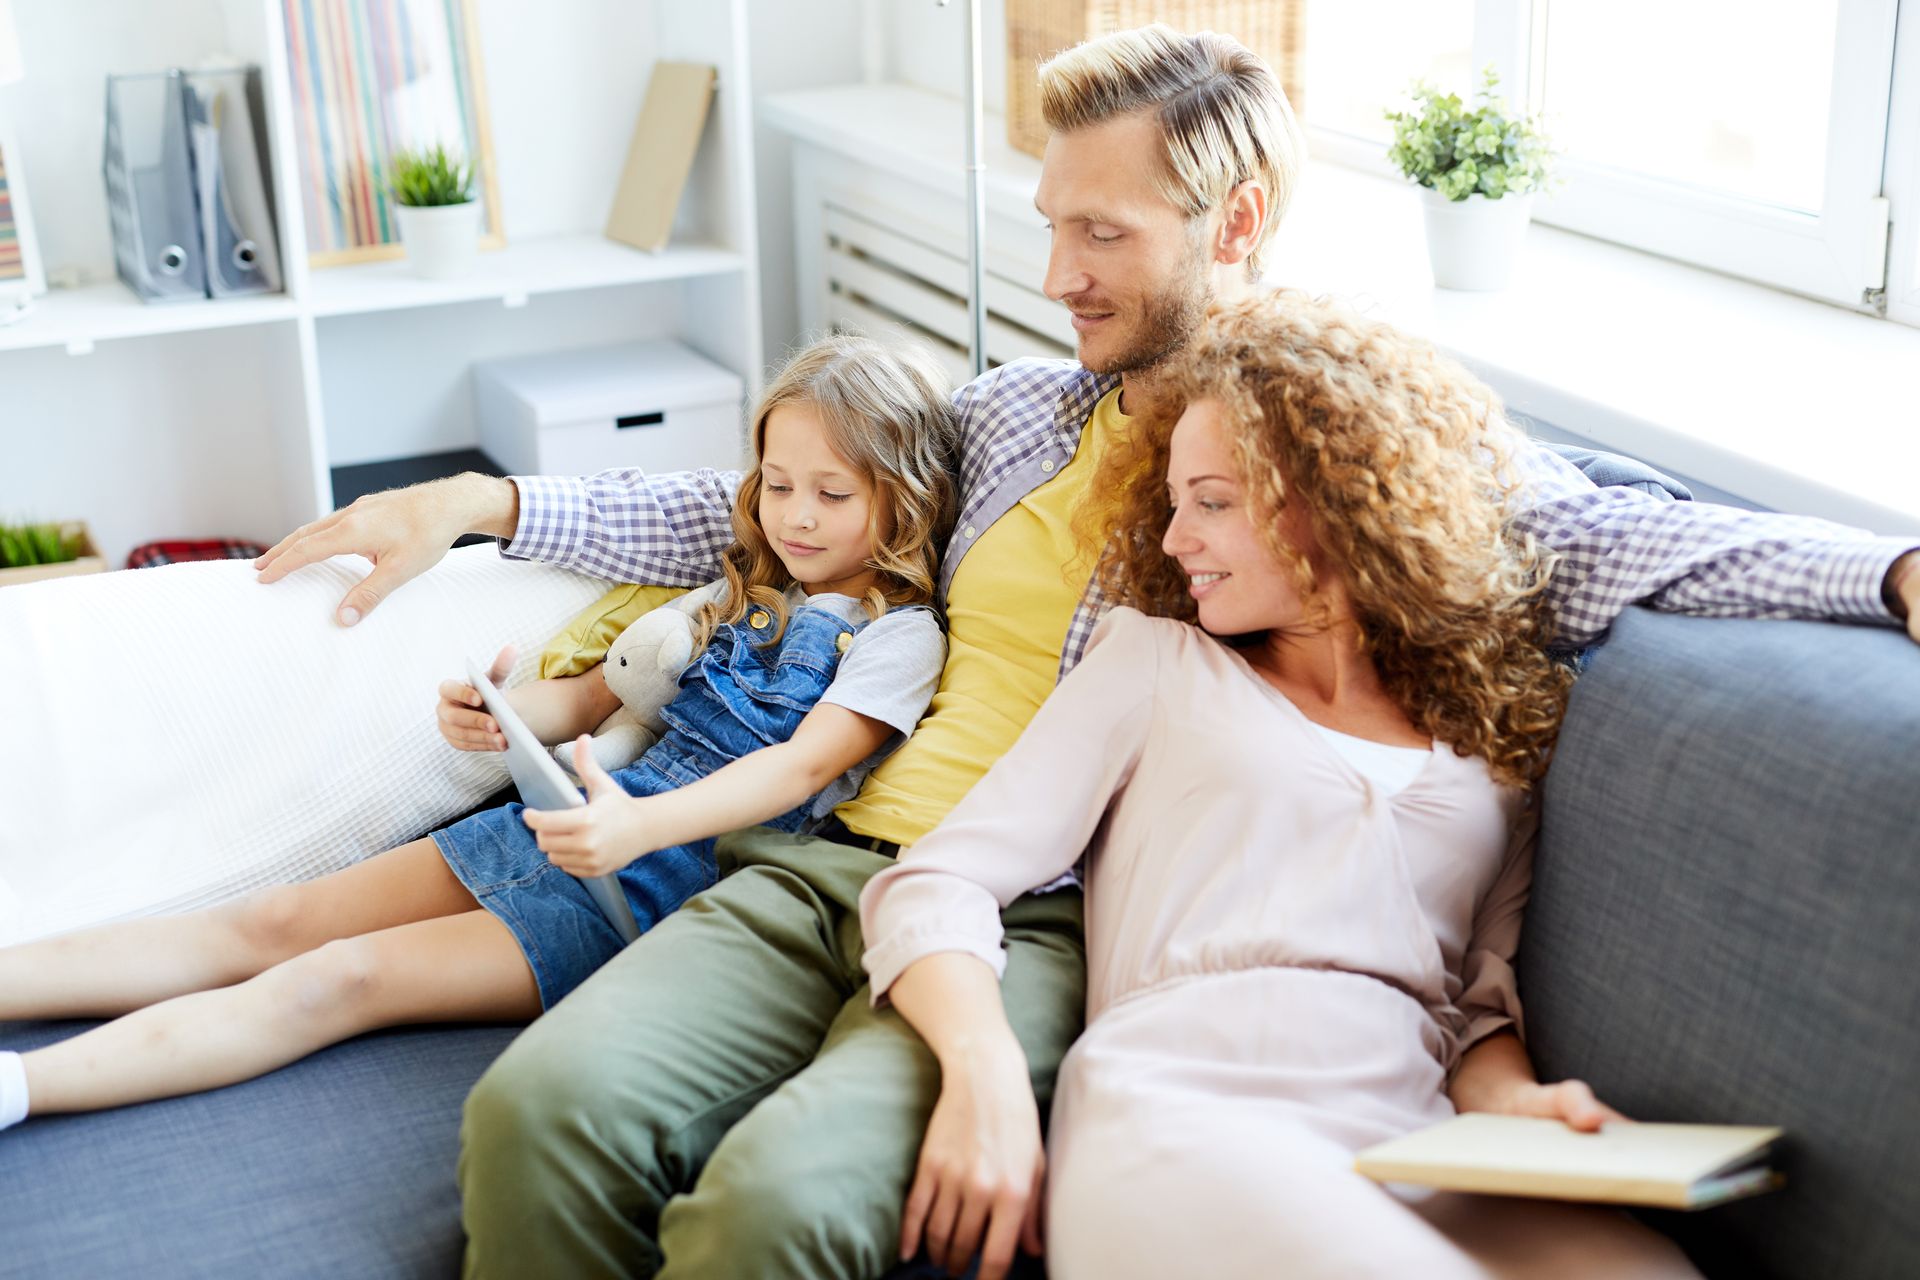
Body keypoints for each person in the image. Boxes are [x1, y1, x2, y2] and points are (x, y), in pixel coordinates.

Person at [246, 26, 1919, 1279]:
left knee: (776, 1210)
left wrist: (1896, 569)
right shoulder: (1020, 414)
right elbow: (763, 505)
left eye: (1101, 234)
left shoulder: (1330, 459)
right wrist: (482, 501)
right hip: (843, 847)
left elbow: (1630, 537)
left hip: (1046, 925)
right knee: (538, 1119)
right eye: (1049, 226)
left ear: (1238, 217)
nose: (1054, 278)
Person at [860, 292, 1701, 1280]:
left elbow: (1475, 1011)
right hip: (1188, 1106)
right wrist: (987, 1072)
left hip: (1418, 1137)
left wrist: (1524, 1105)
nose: (1176, 540)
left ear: (1343, 497)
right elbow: (939, 879)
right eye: (1174, 503)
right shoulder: (1157, 663)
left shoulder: (1494, 749)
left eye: (1211, 501)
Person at [0, 334, 955, 1132]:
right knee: (275, 919)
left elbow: (801, 767)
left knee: (341, 978)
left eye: (832, 495)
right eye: (778, 484)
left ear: (904, 496)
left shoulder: (901, 637)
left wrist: (636, 830)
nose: (794, 516)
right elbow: (590, 706)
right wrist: (503, 716)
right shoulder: (735, 590)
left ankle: (22, 1089)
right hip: (569, 819)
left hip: (652, 889)